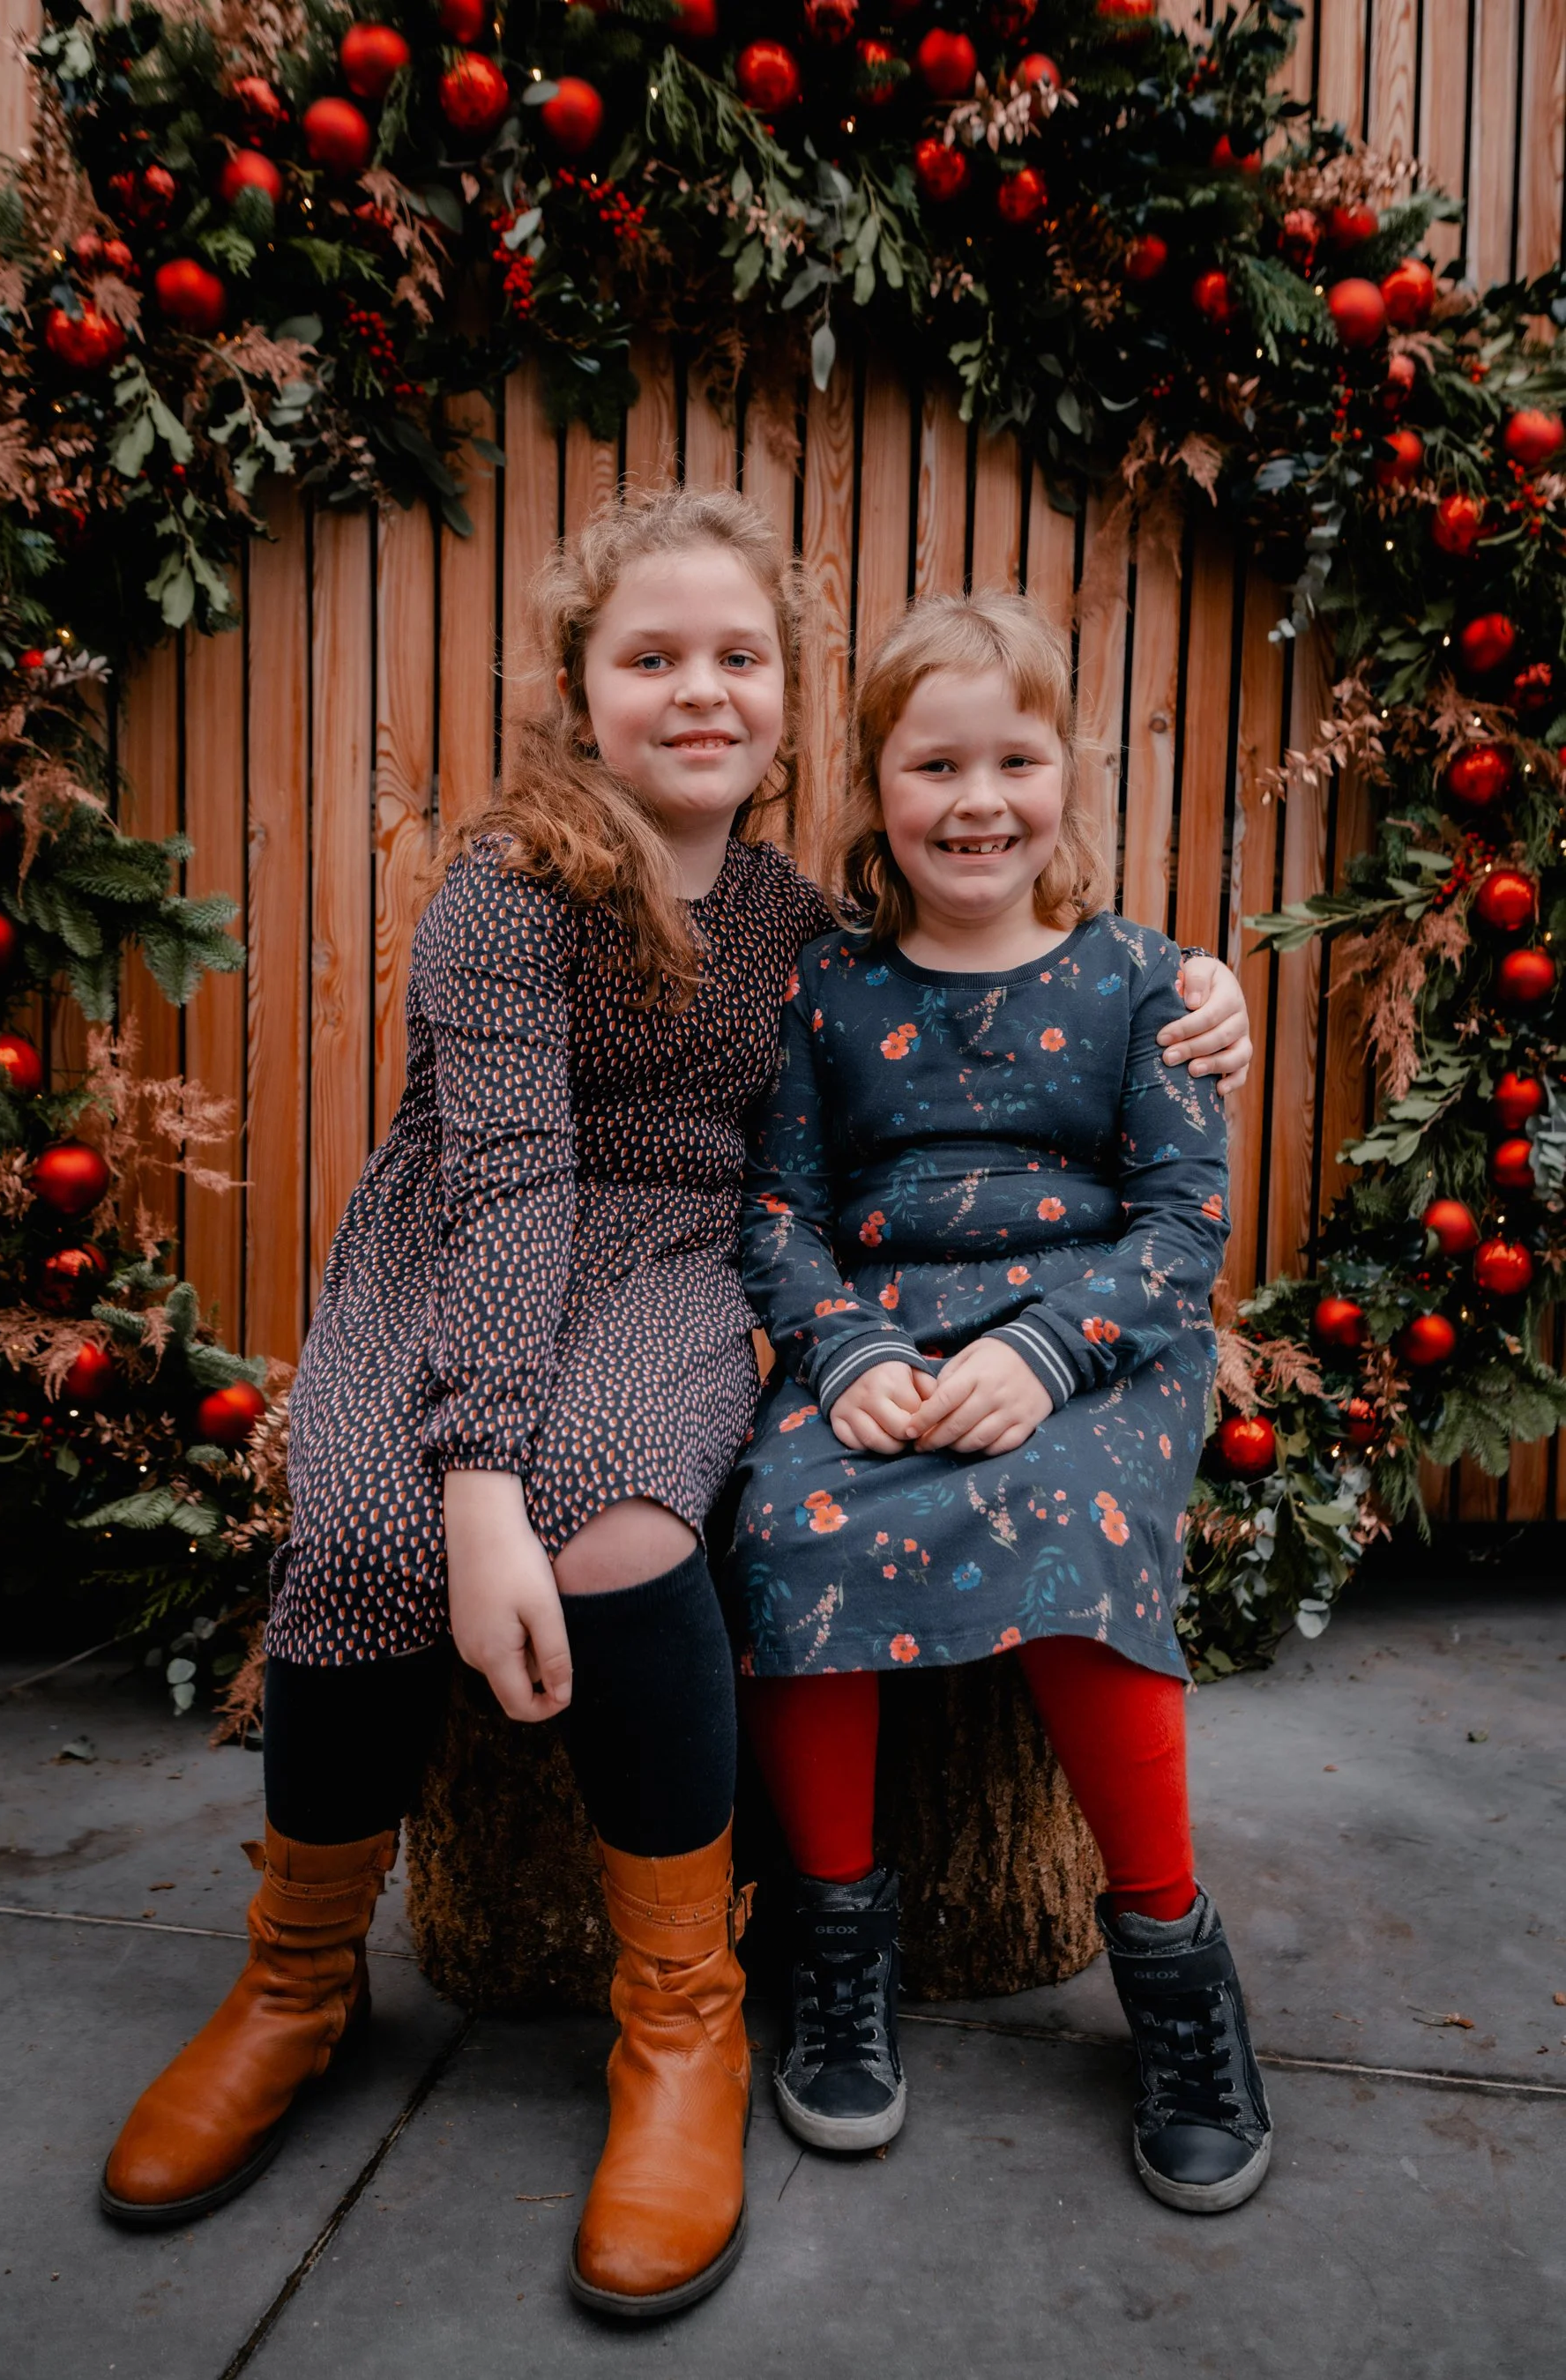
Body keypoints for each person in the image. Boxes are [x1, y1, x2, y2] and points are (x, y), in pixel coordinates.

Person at [99, 489, 1256, 2310]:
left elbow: (995, 936)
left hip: (671, 1261)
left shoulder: (803, 921)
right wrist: (475, 1471)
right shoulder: (507, 893)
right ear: (580, 690)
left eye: (737, 658)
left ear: (790, 701)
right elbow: (503, 1182)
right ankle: (294, 1985)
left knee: (631, 1523)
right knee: (369, 1529)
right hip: (465, 1239)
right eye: (652, 658)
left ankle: (683, 2022)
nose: (698, 691)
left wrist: (1200, 988)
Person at [727, 589, 1271, 2217]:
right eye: (933, 764)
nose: (977, 801)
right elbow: (774, 1213)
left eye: (1012, 760)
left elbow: (1183, 1230)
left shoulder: (1145, 985)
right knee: (776, 1521)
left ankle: (1175, 1976)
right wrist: (840, 1354)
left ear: (1064, 777)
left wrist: (1042, 1353)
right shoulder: (824, 995)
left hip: (1095, 1341)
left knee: (1064, 1519)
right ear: (878, 794)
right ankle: (835, 1943)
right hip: (881, 1339)